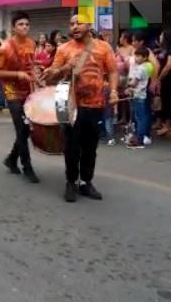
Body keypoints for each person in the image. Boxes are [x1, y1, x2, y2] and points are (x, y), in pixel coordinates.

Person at [42, 14, 118, 203]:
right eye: (72, 24)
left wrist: (114, 91)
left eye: (79, 23)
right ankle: (70, 181)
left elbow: (113, 71)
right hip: (68, 104)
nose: (74, 27)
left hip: (95, 104)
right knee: (71, 146)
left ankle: (86, 182)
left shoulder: (103, 47)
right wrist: (62, 68)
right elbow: (53, 77)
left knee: (90, 146)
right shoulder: (63, 49)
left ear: (89, 25)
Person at [0, 12, 39, 183]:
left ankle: (12, 159)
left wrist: (35, 76)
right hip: (11, 90)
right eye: (20, 24)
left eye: (27, 24)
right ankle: (27, 166)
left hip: (27, 89)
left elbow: (30, 66)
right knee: (21, 128)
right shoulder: (5, 48)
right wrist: (18, 74)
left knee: (27, 129)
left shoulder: (32, 43)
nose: (24, 27)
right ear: (13, 27)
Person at [156, 24, 171, 136]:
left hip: (169, 78)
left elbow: (168, 66)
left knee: (168, 101)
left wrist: (159, 78)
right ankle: (163, 122)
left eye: (162, 35)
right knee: (164, 100)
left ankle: (168, 125)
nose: (160, 37)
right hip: (164, 79)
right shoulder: (164, 49)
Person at [126, 47, 152, 149]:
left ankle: (139, 140)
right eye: (136, 55)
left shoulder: (141, 68)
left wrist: (128, 85)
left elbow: (134, 83)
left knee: (139, 119)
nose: (136, 58)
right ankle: (138, 138)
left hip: (138, 95)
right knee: (141, 118)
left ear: (145, 57)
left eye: (139, 56)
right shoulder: (145, 67)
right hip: (141, 95)